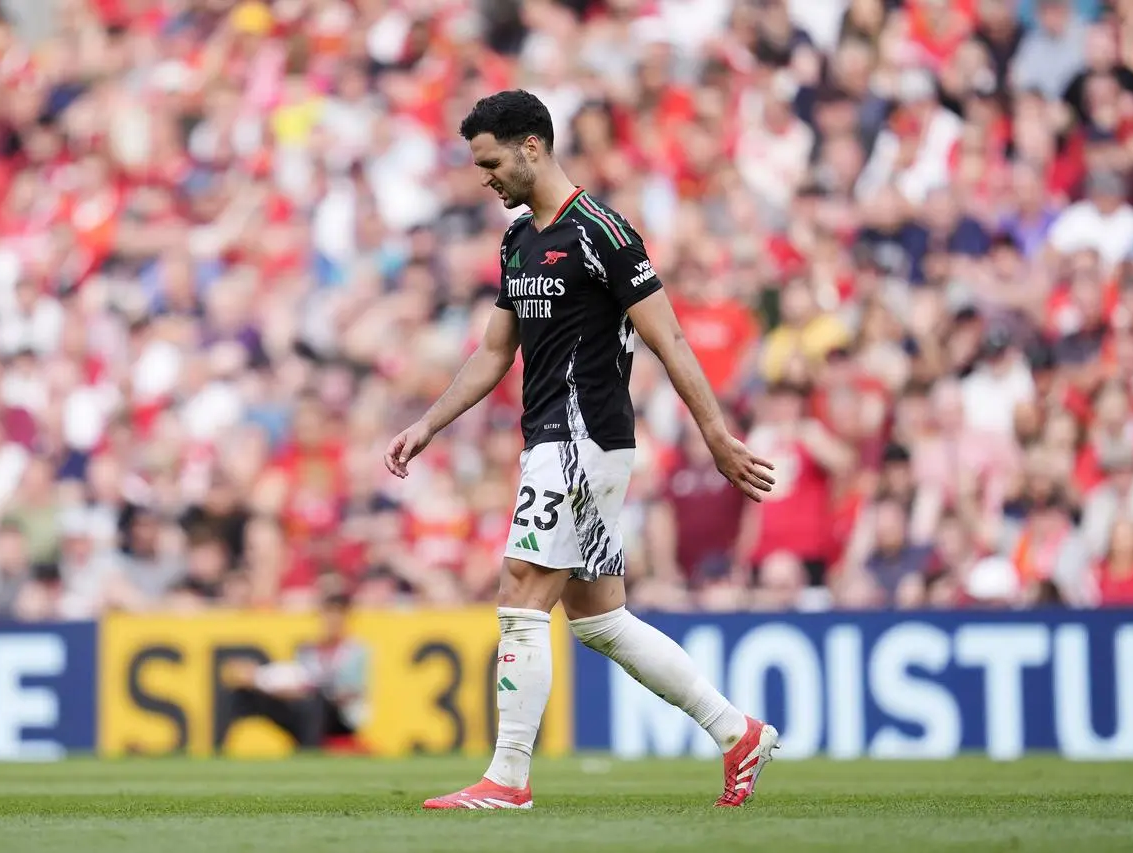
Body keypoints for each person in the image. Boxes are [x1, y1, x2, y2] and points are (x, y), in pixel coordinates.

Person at [384, 90, 779, 811]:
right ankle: (737, 730)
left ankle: (506, 778)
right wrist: (428, 423)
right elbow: (493, 352)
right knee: (599, 618)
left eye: (492, 161)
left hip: (582, 439)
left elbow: (670, 338)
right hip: (552, 440)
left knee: (520, 588)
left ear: (532, 145)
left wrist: (716, 435)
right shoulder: (517, 240)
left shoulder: (602, 230)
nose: (485, 178)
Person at [218, 592, 368, 751]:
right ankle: (220, 748)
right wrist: (261, 681)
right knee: (243, 694)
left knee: (316, 703)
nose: (331, 622)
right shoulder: (308, 651)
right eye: (327, 615)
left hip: (339, 718)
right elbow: (298, 682)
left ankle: (310, 750)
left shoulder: (356, 652)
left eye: (336, 616)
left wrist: (317, 691)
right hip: (304, 707)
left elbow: (353, 693)